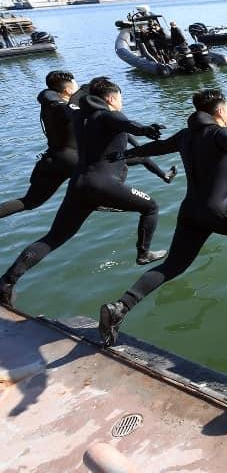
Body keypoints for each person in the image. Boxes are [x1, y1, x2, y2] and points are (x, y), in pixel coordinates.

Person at [98, 88, 227, 346]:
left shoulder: (185, 135)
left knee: (172, 266)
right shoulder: (219, 132)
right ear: (220, 110)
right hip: (220, 211)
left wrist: (125, 153)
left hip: (191, 211)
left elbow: (158, 147)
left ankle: (120, 307)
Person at [0, 77, 167, 308]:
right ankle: (143, 253)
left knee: (53, 238)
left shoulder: (80, 116)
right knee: (151, 206)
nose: (121, 101)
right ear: (111, 98)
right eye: (120, 97)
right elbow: (126, 123)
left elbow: (73, 100)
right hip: (103, 185)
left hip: (78, 185)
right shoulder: (109, 115)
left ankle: (7, 282)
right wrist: (146, 129)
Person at [1, 71, 80, 219]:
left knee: (30, 202)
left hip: (53, 160)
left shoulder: (49, 102)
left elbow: (44, 94)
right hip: (73, 161)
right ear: (68, 90)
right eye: (77, 86)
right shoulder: (62, 107)